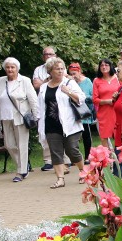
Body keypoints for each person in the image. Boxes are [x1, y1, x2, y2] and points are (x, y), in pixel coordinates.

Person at [37, 57, 86, 189]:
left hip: (69, 124)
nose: (60, 71)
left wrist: (68, 92)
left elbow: (81, 98)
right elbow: (40, 107)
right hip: (51, 124)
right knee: (56, 152)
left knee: (72, 150)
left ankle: (83, 172)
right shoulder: (43, 87)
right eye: (57, 69)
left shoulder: (69, 83)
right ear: (50, 71)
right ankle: (60, 179)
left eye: (62, 68)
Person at [0, 57, 38, 183]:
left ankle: (21, 171)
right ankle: (23, 166)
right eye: (8, 67)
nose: (10, 69)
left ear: (17, 69)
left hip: (21, 118)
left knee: (22, 145)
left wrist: (36, 117)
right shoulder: (0, 81)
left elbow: (33, 99)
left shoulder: (25, 81)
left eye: (12, 67)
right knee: (9, 145)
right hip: (4, 118)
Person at [32, 46, 60, 171]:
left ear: (55, 55)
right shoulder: (38, 69)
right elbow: (36, 85)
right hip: (44, 102)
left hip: (59, 103)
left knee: (61, 129)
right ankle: (48, 160)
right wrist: (48, 80)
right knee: (44, 130)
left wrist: (45, 81)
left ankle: (64, 159)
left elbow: (62, 80)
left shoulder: (60, 65)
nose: (48, 56)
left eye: (51, 54)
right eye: (46, 54)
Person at [68, 62, 94, 162]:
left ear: (80, 72)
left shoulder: (87, 81)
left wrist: (83, 97)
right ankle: (76, 158)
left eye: (75, 73)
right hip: (74, 112)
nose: (73, 76)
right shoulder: (69, 82)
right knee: (74, 136)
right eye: (71, 74)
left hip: (84, 111)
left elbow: (93, 96)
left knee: (86, 135)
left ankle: (88, 156)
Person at [92, 58, 120, 149]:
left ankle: (121, 160)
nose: (104, 67)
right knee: (104, 137)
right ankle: (108, 161)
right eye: (102, 65)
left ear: (110, 66)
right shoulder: (97, 80)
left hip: (117, 111)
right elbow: (95, 99)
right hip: (104, 113)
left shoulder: (117, 78)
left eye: (106, 65)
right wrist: (107, 101)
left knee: (118, 136)